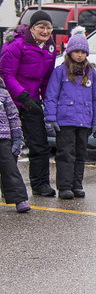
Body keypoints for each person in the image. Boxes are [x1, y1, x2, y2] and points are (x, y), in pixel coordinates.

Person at [0, 11, 56, 196]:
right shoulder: (15, 45)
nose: (45, 31)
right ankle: (9, 187)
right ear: (32, 28)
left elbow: (47, 78)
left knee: (39, 144)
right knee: (8, 147)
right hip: (12, 102)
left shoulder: (50, 48)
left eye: (48, 27)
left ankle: (40, 185)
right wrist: (22, 97)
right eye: (41, 27)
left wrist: (48, 101)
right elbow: (6, 74)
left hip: (33, 102)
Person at [42, 33, 96, 199]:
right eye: (76, 51)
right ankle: (64, 187)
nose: (80, 55)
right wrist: (51, 118)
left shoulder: (91, 73)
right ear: (69, 53)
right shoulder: (60, 72)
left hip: (84, 121)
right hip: (66, 121)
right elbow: (51, 96)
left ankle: (77, 185)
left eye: (83, 52)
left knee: (81, 154)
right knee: (66, 154)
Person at [0, 77, 29, 213]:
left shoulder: (3, 93)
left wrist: (17, 136)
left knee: (9, 168)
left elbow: (13, 115)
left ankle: (19, 198)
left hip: (3, 138)